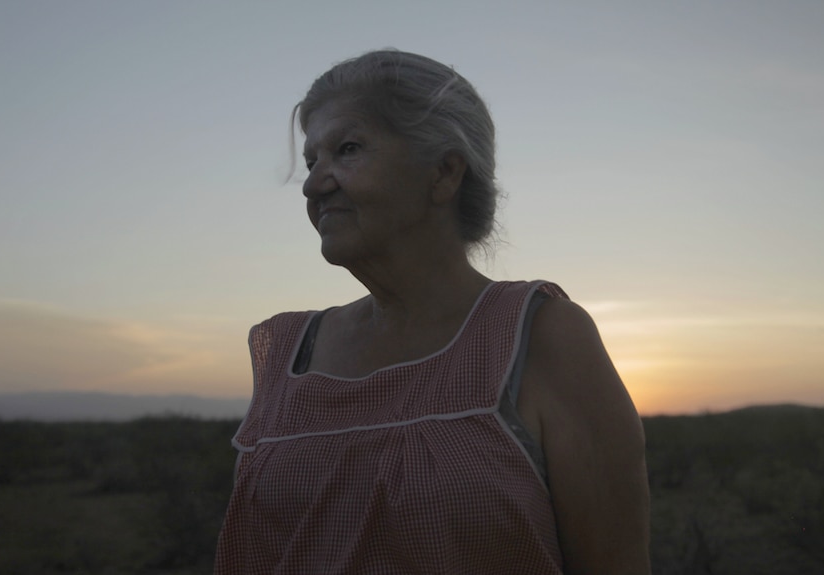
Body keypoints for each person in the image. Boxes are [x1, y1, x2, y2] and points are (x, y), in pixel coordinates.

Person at [214, 49, 650, 574]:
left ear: (444, 172)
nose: (313, 184)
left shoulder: (541, 335)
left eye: (347, 150)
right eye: (311, 162)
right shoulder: (286, 352)